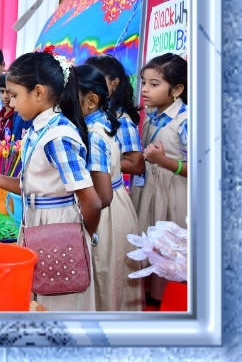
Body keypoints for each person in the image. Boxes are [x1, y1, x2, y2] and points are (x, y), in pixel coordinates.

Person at [0, 52, 101, 312]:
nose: (10, 103)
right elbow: (29, 187)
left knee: (59, 305)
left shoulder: (58, 136)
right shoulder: (39, 129)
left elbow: (91, 202)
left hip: (58, 228)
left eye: (14, 95)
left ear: (38, 92)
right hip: (38, 223)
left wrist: (80, 238)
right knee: (38, 300)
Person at [75, 64, 144, 311]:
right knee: (115, 278)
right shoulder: (104, 120)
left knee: (105, 277)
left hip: (105, 213)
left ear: (91, 101)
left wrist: (84, 222)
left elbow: (102, 196)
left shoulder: (93, 135)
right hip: (119, 203)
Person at [135, 53, 188, 229]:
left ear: (177, 90)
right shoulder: (150, 113)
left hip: (172, 195)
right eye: (143, 82)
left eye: (154, 84)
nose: (144, 89)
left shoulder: (185, 121)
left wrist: (163, 161)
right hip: (146, 189)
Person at [84, 54, 146, 194]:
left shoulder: (122, 120)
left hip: (110, 193)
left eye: (98, 81)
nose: (91, 88)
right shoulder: (94, 113)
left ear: (115, 83)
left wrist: (97, 164)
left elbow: (137, 164)